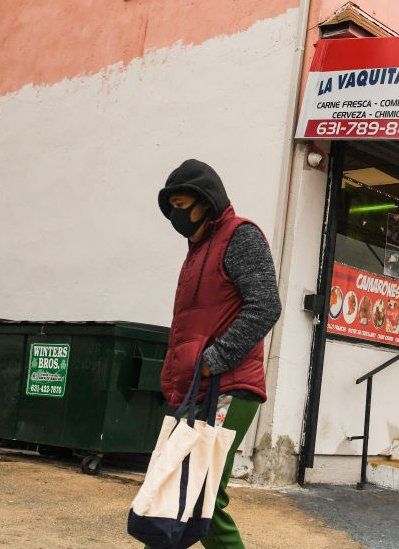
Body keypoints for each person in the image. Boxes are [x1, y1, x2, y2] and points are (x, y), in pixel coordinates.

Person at [157, 159, 281, 548]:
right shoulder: (197, 250)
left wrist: (213, 360)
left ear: (205, 201)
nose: (176, 214)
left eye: (182, 204)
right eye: (171, 206)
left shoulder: (240, 237)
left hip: (228, 386)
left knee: (200, 498)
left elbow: (265, 305)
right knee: (172, 494)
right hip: (198, 387)